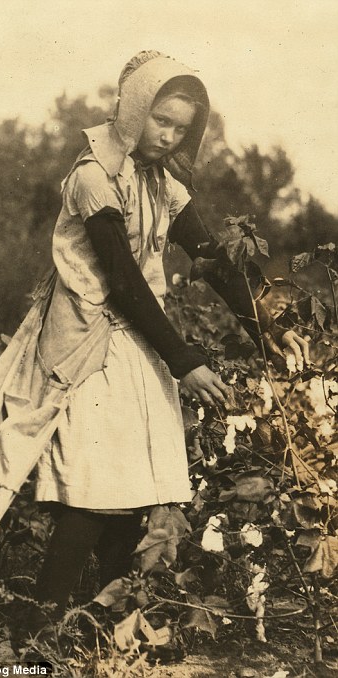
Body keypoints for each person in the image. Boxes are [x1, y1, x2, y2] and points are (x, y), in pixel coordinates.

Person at [23, 50, 310, 635]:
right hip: (88, 342)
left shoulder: (163, 183)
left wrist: (270, 329)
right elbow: (122, 281)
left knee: (134, 488)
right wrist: (186, 361)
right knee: (92, 490)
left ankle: (97, 629)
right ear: (133, 109)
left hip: (136, 344)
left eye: (181, 128)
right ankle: (36, 630)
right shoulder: (92, 175)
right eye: (161, 121)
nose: (168, 136)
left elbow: (211, 261)